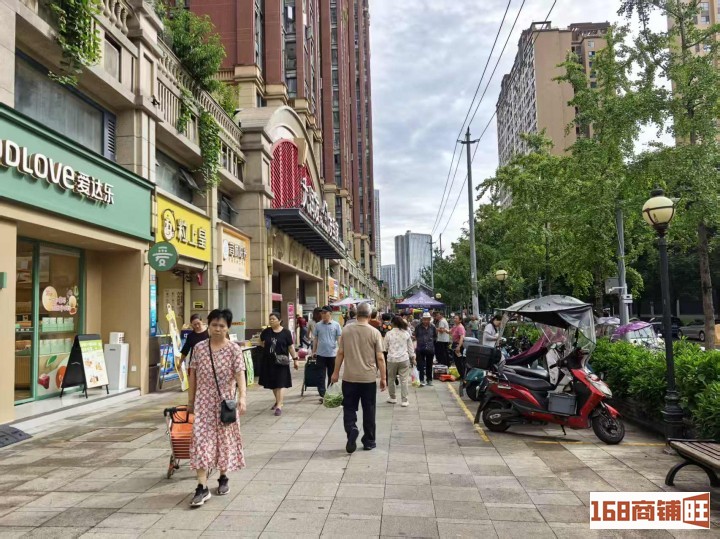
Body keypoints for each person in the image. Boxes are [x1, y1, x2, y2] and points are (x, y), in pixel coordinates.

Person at [187, 309, 247, 507]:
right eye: (214, 325)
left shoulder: (234, 349)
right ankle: (201, 486)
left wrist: (242, 397)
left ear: (228, 327)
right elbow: (193, 375)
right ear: (208, 325)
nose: (218, 329)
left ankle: (223, 476)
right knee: (200, 441)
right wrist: (190, 401)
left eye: (222, 326)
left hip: (225, 404)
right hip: (203, 402)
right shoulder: (199, 348)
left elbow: (240, 374)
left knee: (224, 441)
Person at [331, 302, 386, 453]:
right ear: (370, 315)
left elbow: (340, 353)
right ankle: (369, 441)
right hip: (368, 379)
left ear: (356, 314)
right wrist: (383, 378)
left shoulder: (346, 330)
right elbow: (380, 357)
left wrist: (335, 373)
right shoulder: (374, 332)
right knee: (369, 409)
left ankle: (351, 429)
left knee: (349, 407)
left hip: (349, 378)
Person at [258, 313, 299, 416]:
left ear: (279, 320)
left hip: (281, 362)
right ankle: (278, 401)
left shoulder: (286, 332)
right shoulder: (266, 331)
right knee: (273, 384)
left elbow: (290, 347)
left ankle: (279, 406)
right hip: (269, 361)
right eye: (270, 319)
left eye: (273, 319)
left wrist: (295, 359)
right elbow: (261, 342)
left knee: (280, 383)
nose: (271, 321)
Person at [383, 316, 415, 407]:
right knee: (404, 380)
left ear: (393, 323)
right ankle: (404, 400)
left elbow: (385, 347)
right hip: (404, 359)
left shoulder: (389, 334)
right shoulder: (406, 333)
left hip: (391, 359)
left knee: (391, 379)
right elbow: (411, 348)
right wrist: (413, 358)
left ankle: (393, 398)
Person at [313, 306, 343, 398]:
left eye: (325, 313)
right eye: (322, 313)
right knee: (320, 375)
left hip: (332, 354)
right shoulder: (318, 325)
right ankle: (322, 394)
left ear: (330, 313)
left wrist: (341, 350)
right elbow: (315, 339)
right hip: (320, 354)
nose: (323, 314)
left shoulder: (336, 325)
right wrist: (313, 351)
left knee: (332, 375)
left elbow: (339, 339)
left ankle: (330, 393)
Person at [415, 312, 437, 386]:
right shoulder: (418, 327)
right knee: (420, 365)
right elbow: (416, 335)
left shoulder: (433, 327)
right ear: (422, 319)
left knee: (429, 365)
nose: (426, 321)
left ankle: (429, 379)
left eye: (427, 319)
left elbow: (435, 336)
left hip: (430, 348)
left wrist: (430, 342)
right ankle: (421, 380)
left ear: (430, 319)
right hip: (420, 348)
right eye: (424, 319)